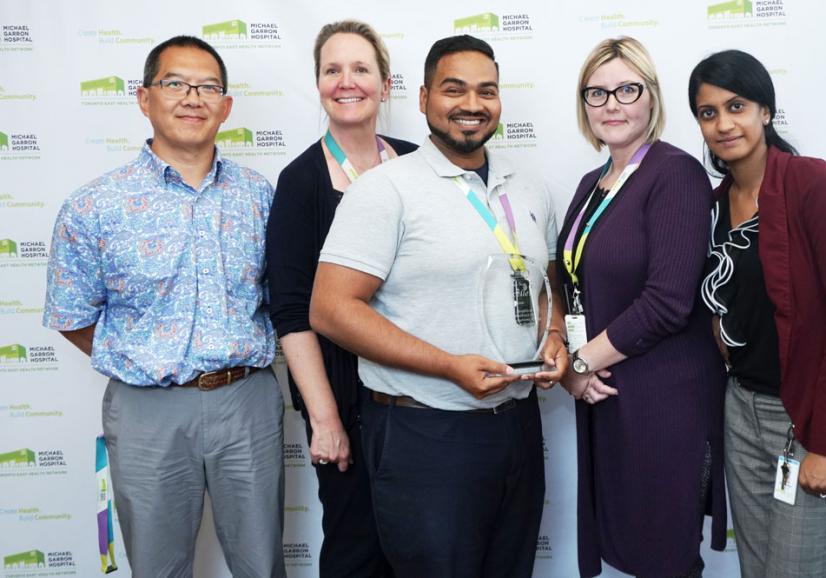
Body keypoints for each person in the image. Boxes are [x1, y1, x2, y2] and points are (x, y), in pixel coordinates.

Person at [309, 35, 568, 577]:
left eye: (487, 91)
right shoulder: (385, 190)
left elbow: (545, 279)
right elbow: (330, 309)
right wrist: (447, 365)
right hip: (426, 434)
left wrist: (555, 336)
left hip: (518, 425)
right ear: (424, 97)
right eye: (455, 90)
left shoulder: (529, 187)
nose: (472, 104)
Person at [43, 36, 285, 577]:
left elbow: (283, 301)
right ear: (143, 98)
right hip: (146, 408)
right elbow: (72, 314)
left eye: (208, 87)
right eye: (175, 83)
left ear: (225, 106)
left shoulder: (259, 196)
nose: (192, 97)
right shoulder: (94, 204)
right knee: (157, 568)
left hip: (246, 401)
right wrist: (143, 357)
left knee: (263, 565)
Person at [688, 49, 826, 578]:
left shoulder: (812, 184)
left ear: (765, 110)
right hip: (742, 413)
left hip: (808, 416)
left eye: (736, 105)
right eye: (708, 112)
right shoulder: (711, 205)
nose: (723, 123)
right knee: (757, 570)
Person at [557, 37, 726, 578]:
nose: (612, 104)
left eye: (627, 89)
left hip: (663, 399)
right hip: (607, 395)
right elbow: (572, 282)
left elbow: (668, 302)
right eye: (597, 93)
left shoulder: (675, 174)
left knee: (665, 557)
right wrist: (573, 368)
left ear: (651, 98)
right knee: (628, 551)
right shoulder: (591, 184)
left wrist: (580, 363)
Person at [266, 19, 416, 578]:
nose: (346, 81)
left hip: (418, 396)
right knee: (358, 553)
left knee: (426, 546)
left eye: (360, 69)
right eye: (333, 69)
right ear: (318, 83)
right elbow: (291, 310)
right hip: (347, 403)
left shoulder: (418, 162)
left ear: (385, 83)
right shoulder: (300, 180)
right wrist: (325, 420)